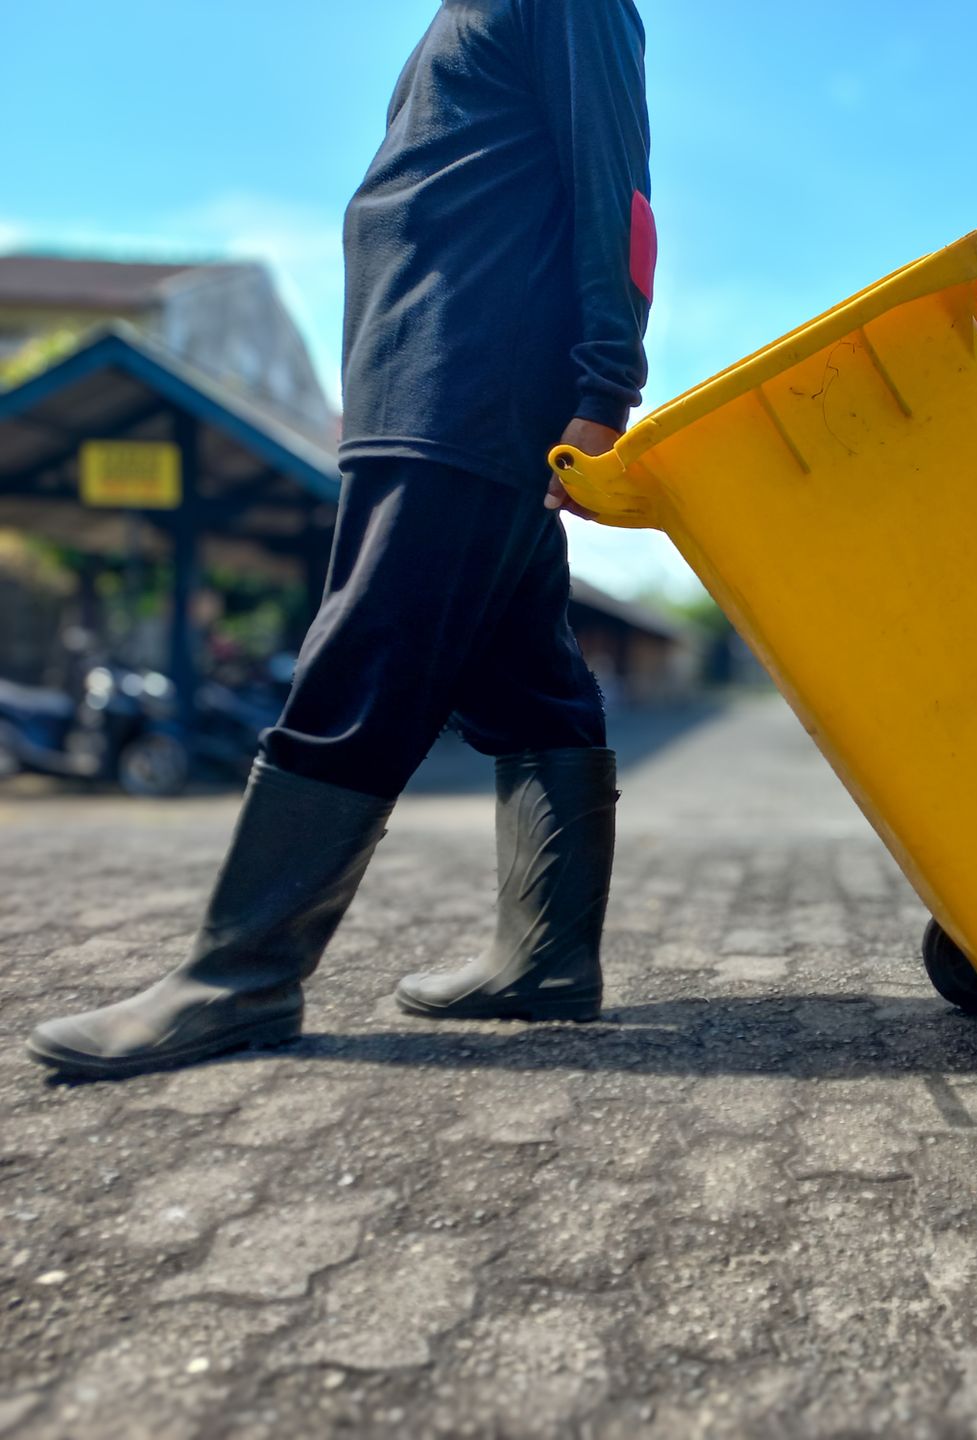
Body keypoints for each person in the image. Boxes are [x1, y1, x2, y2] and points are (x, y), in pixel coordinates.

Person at [28, 0, 654, 1079]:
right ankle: (545, 958)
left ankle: (241, 976)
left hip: (469, 385)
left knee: (365, 650)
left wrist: (606, 386)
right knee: (528, 682)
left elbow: (619, 189)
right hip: (424, 382)